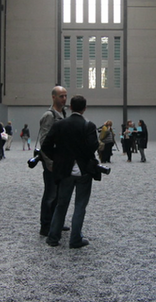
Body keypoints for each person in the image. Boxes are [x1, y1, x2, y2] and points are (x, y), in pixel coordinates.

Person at [41, 95, 99, 248]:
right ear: (84, 108)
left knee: (61, 204)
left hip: (65, 170)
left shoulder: (60, 125)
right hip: (83, 171)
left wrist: (58, 158)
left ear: (71, 107)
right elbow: (93, 147)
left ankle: (53, 237)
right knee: (80, 205)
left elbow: (45, 146)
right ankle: (75, 239)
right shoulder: (89, 126)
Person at [38, 86, 68, 236]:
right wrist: (49, 163)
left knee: (59, 195)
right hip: (52, 162)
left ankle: (56, 222)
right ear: (53, 97)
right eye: (61, 96)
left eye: (65, 96)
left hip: (60, 161)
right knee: (50, 194)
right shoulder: (49, 116)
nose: (64, 99)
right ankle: (45, 226)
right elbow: (44, 141)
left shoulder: (63, 113)